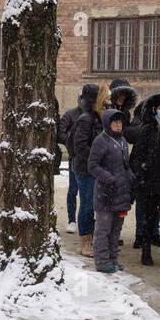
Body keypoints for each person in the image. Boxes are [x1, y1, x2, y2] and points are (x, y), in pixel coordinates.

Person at [87, 108, 135, 273]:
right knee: (103, 230)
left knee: (116, 231)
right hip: (105, 194)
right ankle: (101, 262)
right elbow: (92, 165)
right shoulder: (101, 141)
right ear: (107, 123)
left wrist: (130, 176)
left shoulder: (122, 141)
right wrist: (108, 177)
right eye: (115, 121)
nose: (118, 124)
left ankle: (113, 259)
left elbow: (125, 164)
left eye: (120, 121)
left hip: (121, 194)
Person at [130, 93, 160, 260]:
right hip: (150, 180)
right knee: (149, 217)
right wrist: (141, 175)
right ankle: (146, 250)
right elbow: (138, 155)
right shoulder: (147, 130)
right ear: (154, 110)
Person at [71, 82, 109, 258]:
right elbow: (80, 146)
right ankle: (85, 241)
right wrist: (96, 160)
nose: (108, 99)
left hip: (98, 169)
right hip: (86, 170)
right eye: (105, 96)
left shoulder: (101, 117)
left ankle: (92, 238)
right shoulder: (86, 118)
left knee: (96, 205)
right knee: (87, 205)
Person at [59, 86, 96, 234]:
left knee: (88, 195)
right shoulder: (71, 114)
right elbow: (60, 132)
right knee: (73, 190)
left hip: (90, 161)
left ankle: (88, 223)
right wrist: (71, 141)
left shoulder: (95, 116)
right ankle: (71, 220)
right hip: (76, 158)